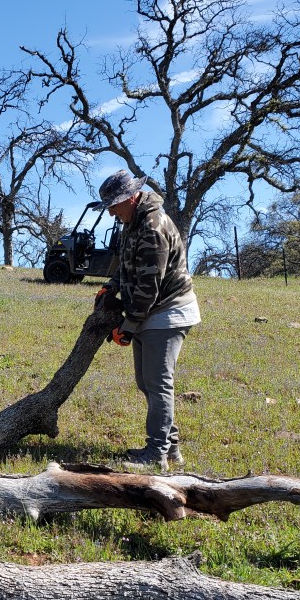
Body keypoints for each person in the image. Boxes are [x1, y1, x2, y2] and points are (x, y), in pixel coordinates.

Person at [95, 169, 200, 470]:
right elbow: (127, 264)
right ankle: (171, 448)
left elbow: (148, 287)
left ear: (131, 197)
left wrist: (127, 327)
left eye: (114, 205)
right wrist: (111, 286)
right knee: (147, 382)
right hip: (151, 311)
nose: (112, 212)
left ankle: (156, 455)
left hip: (167, 312)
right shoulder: (133, 222)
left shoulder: (153, 226)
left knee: (157, 384)